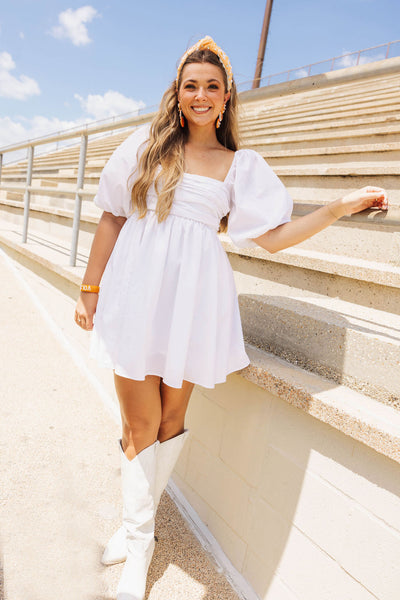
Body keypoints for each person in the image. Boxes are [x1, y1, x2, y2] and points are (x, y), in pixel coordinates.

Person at [74, 36, 388, 600]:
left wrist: (338, 208)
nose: (200, 95)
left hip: (193, 304)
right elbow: (111, 218)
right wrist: (89, 286)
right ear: (178, 92)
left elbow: (272, 238)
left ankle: (132, 525)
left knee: (170, 422)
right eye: (190, 85)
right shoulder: (145, 147)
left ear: (226, 99)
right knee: (139, 427)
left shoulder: (240, 165)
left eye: (211, 87)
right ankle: (140, 547)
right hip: (135, 296)